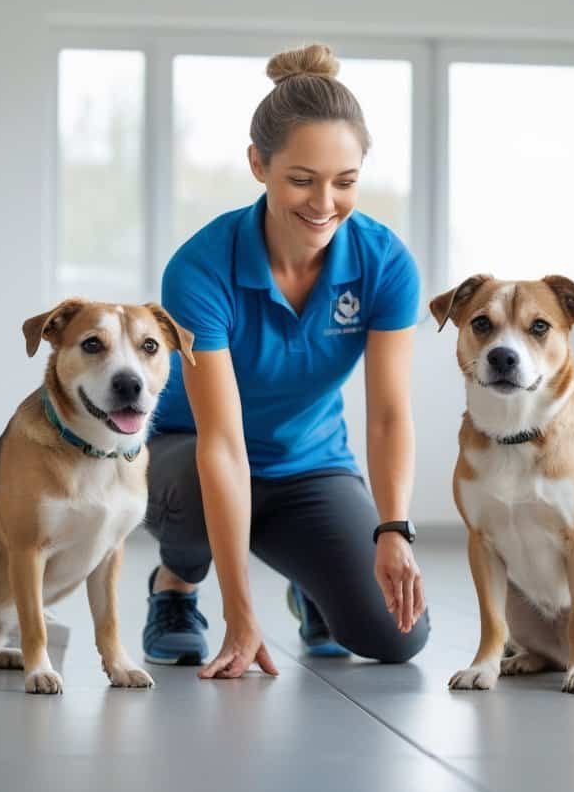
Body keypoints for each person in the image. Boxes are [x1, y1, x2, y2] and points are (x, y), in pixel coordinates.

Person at [141, 43, 430, 678]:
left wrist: (392, 530)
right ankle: (175, 588)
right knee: (191, 492)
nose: (324, 202)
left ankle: (313, 584)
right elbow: (221, 442)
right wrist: (240, 614)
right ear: (258, 164)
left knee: (398, 636)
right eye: (302, 179)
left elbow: (386, 417)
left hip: (310, 468)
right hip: (196, 455)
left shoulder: (385, 263)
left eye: (345, 181)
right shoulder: (200, 269)